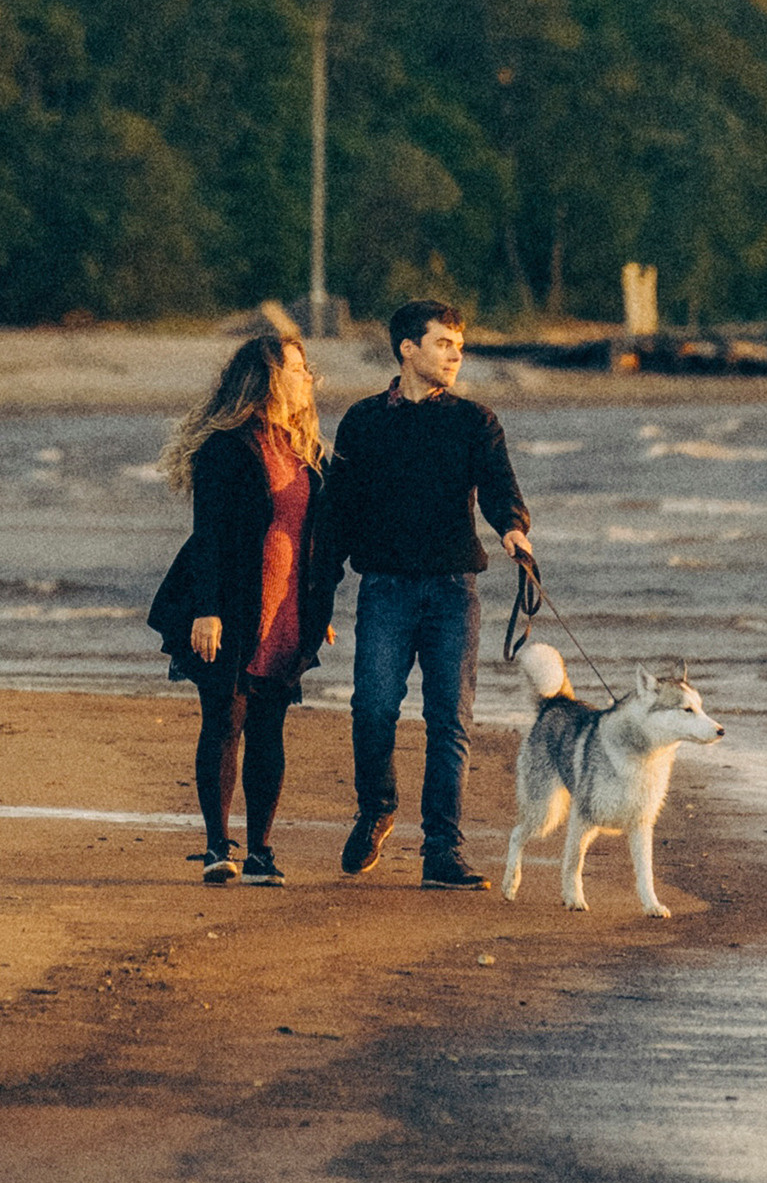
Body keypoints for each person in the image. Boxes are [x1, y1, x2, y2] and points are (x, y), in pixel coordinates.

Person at [318, 297, 534, 888]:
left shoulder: (474, 421)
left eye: (460, 347)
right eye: (444, 344)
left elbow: (498, 488)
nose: (455, 356)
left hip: (453, 590)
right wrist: (316, 594)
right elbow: (338, 514)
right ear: (408, 348)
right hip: (384, 588)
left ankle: (443, 849)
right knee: (373, 708)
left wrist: (513, 528)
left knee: (450, 721)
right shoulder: (363, 421)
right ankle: (378, 809)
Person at [147, 328, 336, 887]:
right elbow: (209, 535)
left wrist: (318, 609)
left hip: (287, 607)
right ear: (271, 377)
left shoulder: (306, 451)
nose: (309, 381)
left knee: (270, 725)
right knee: (225, 720)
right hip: (229, 605)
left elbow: (314, 541)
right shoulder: (226, 448)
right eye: (299, 371)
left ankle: (261, 851)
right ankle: (215, 847)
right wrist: (206, 609)